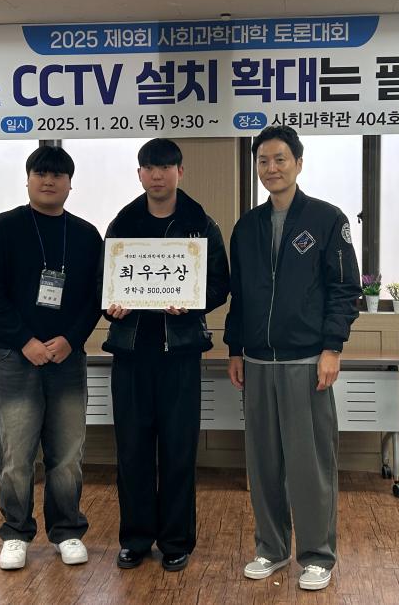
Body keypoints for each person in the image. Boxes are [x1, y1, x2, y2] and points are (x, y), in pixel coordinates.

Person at [224, 125, 361, 591]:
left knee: (310, 464)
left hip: (307, 362)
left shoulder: (327, 219)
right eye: (263, 160)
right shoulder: (247, 227)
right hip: (257, 362)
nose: (271, 168)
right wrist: (235, 349)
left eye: (280, 159)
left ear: (299, 164)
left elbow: (345, 290)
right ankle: (271, 548)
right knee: (263, 464)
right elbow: (239, 297)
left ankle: (318, 555)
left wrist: (332, 347)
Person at [0, 145, 102, 571]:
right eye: (40, 173)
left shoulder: (85, 235)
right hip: (14, 357)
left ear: (70, 184)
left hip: (67, 359)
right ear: (27, 179)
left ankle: (67, 531)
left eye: (57, 175)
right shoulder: (3, 228)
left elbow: (95, 297)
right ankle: (15, 532)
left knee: (67, 454)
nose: (48, 181)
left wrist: (71, 339)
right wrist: (24, 339)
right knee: (15, 455)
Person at [102, 138, 230, 572]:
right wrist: (111, 307)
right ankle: (135, 539)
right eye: (149, 168)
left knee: (178, 450)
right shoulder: (122, 223)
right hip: (131, 352)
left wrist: (191, 303)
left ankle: (176, 540)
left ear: (180, 171)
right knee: (132, 450)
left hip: (180, 354)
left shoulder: (201, 224)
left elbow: (220, 283)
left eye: (165, 167)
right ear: (140, 174)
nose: (157, 175)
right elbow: (105, 282)